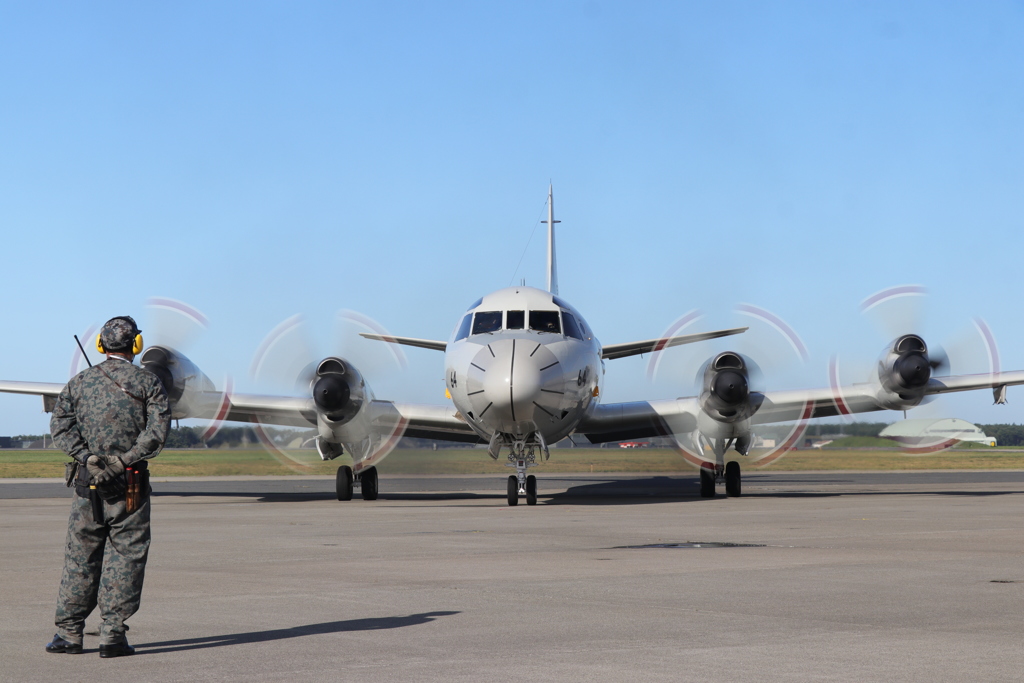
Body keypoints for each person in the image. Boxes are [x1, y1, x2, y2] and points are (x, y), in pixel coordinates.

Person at [45, 316, 171, 658]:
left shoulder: (78, 382)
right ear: (136, 346)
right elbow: (156, 434)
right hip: (129, 486)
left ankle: (69, 634)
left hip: (87, 487)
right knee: (126, 557)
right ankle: (112, 636)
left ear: (101, 346)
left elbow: (60, 428)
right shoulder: (149, 384)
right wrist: (123, 460)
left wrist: (88, 458)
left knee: (80, 556)